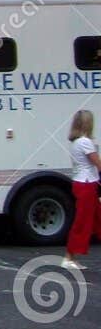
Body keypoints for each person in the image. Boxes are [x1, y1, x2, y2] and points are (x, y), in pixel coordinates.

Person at [64, 109, 101, 272]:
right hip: (87, 184)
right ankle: (69, 257)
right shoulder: (85, 142)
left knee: (96, 219)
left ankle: (71, 256)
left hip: (82, 182)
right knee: (83, 222)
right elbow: (97, 163)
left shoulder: (76, 142)